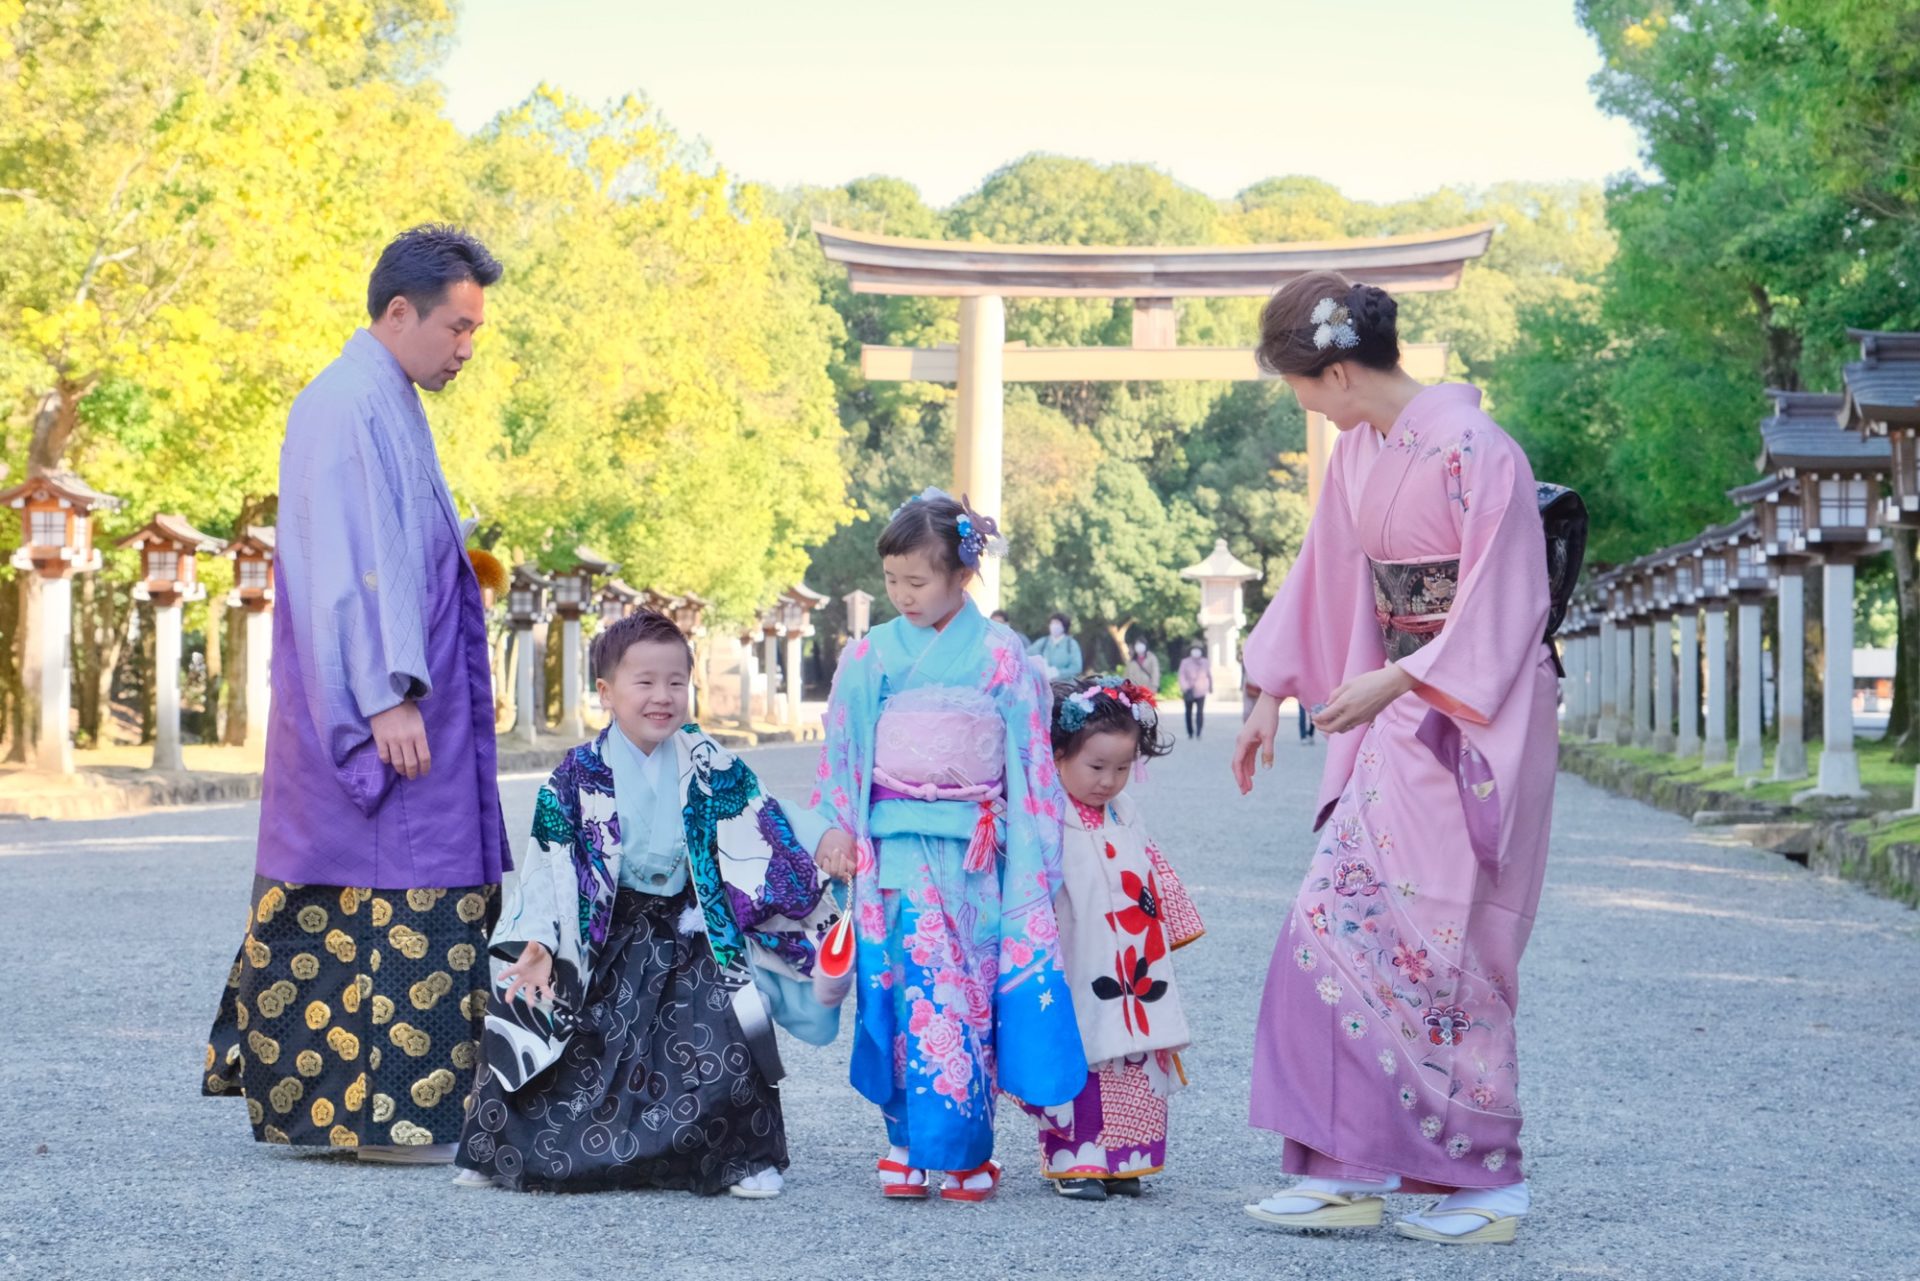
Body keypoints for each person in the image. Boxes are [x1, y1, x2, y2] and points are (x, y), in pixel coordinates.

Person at [1231, 272, 1556, 1246]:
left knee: (1447, 946)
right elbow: (1326, 575)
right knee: (1333, 929)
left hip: (1466, 720)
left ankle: (1482, 1185)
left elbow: (1507, 602)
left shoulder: (1476, 449)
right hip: (1398, 712)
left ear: (1334, 373)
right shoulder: (1363, 456)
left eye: (1299, 385)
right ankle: (1343, 1168)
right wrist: (1266, 690)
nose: (1301, 405)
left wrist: (1406, 678)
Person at [202, 226, 509, 1163]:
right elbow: (349, 566)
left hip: (407, 687)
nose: (466, 348)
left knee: (414, 878)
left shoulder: (386, 398)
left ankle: (386, 1111)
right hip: (380, 692)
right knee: (388, 880)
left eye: (474, 332)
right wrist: (383, 696)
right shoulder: (342, 404)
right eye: (456, 328)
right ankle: (381, 1115)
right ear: (399, 311)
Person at [453, 610, 845, 1196]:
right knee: (567, 1039)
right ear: (607, 693)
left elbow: (766, 819)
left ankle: (737, 1158)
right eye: (645, 683)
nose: (662, 697)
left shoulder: (709, 761)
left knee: (722, 1035)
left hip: (693, 932)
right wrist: (538, 941)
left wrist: (822, 837)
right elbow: (547, 865)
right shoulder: (576, 773)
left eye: (676, 682)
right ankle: (500, 1150)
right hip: (600, 934)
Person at [810, 487, 1086, 1202]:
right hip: (892, 849)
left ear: (962, 575)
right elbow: (844, 749)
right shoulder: (870, 656)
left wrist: (1036, 863)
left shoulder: (1001, 655)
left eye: (917, 580)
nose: (901, 593)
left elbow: (1028, 762)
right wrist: (838, 823)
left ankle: (962, 1149)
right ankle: (904, 1143)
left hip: (974, 854)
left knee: (965, 994)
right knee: (902, 992)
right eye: (892, 579)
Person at [1019, 676, 1201, 1200]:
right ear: (1057, 756)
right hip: (1077, 955)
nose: (1109, 781)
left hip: (1133, 957)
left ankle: (1127, 1159)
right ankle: (1078, 1161)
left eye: (1122, 768)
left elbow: (1153, 867)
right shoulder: (1045, 814)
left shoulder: (1125, 812)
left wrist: (1172, 923)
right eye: (1096, 767)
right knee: (1081, 1048)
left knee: (1137, 1050)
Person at [1029, 612, 1084, 681]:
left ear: (1064, 626)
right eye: (1052, 623)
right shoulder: (1043, 642)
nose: (1054, 626)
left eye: (1057, 623)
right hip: (1044, 685)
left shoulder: (1071, 644)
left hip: (1065, 687)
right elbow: (1026, 655)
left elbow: (1076, 668)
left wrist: (1058, 673)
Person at [1177, 644, 1211, 740]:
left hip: (1201, 690)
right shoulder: (1185, 662)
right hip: (1189, 691)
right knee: (1188, 712)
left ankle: (1199, 731)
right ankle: (1190, 732)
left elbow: (1209, 675)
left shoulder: (1205, 662)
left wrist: (1210, 687)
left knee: (1200, 712)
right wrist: (1185, 686)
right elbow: (1181, 675)